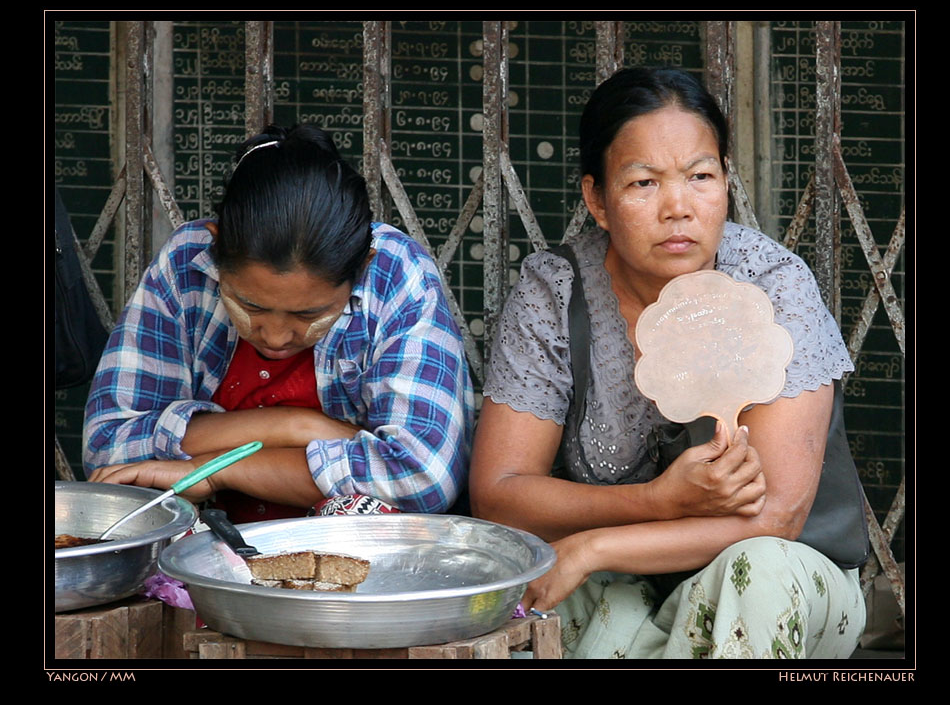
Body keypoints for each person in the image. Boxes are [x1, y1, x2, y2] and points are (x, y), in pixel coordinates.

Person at [470, 68, 867, 659]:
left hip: (784, 581)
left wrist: (594, 546)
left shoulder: (773, 287)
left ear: (726, 182)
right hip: (618, 591)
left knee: (755, 574)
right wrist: (656, 501)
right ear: (597, 200)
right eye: (644, 183)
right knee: (525, 581)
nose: (678, 208)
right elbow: (498, 496)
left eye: (700, 177)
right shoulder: (555, 294)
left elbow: (777, 516)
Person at [85, 124, 474, 521]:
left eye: (308, 314)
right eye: (249, 305)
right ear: (215, 247)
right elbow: (110, 450)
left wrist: (215, 470)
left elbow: (422, 477)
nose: (274, 336)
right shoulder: (187, 264)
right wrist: (292, 426)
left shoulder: (397, 275)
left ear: (363, 266)